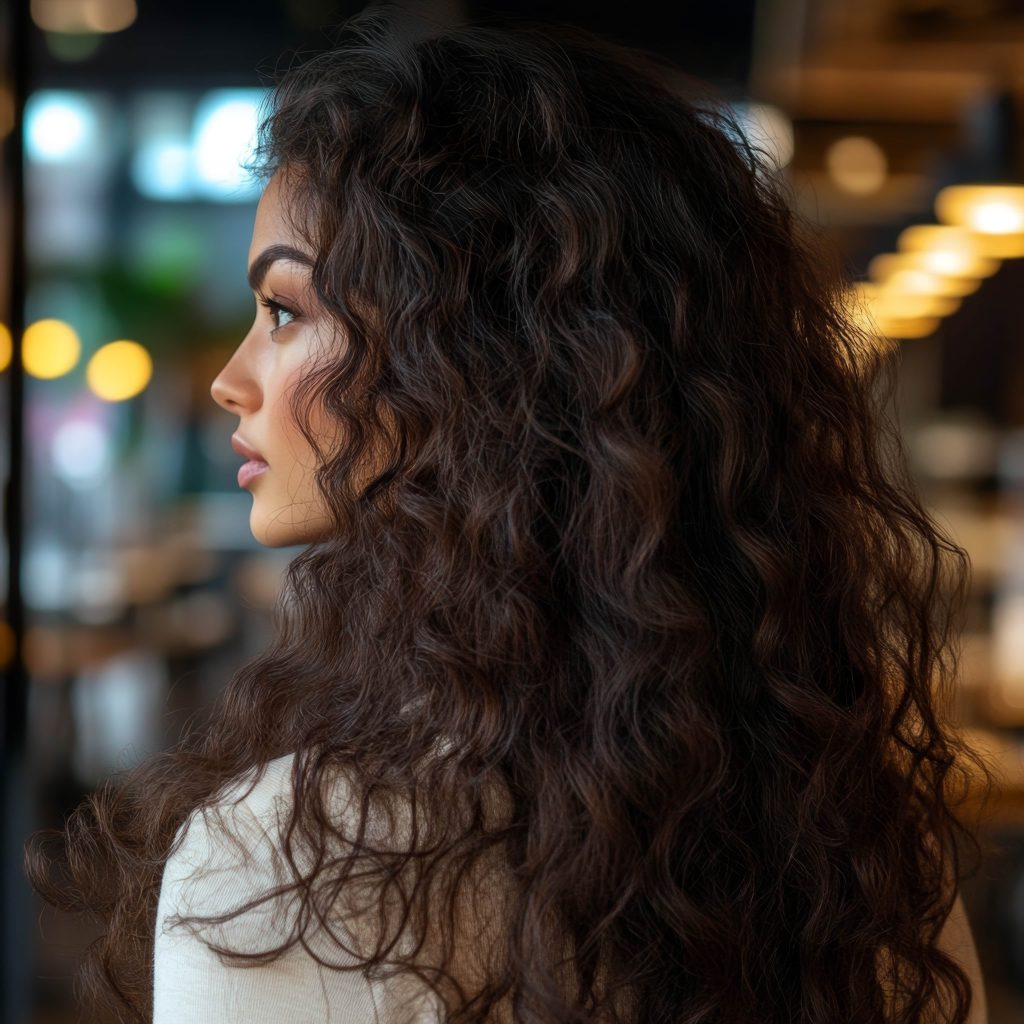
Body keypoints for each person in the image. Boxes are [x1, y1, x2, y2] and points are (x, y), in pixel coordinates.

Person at [26, 4, 994, 1022]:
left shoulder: (276, 870)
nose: (229, 379)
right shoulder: (847, 818)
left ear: (474, 361)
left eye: (284, 312)